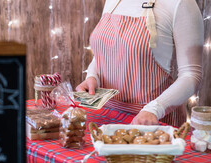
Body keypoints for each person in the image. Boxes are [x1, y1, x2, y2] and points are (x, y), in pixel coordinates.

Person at [76, 0, 204, 127]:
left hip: (152, 122)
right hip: (105, 115)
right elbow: (105, 51)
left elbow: (191, 74)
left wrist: (154, 110)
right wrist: (92, 76)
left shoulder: (180, 3)